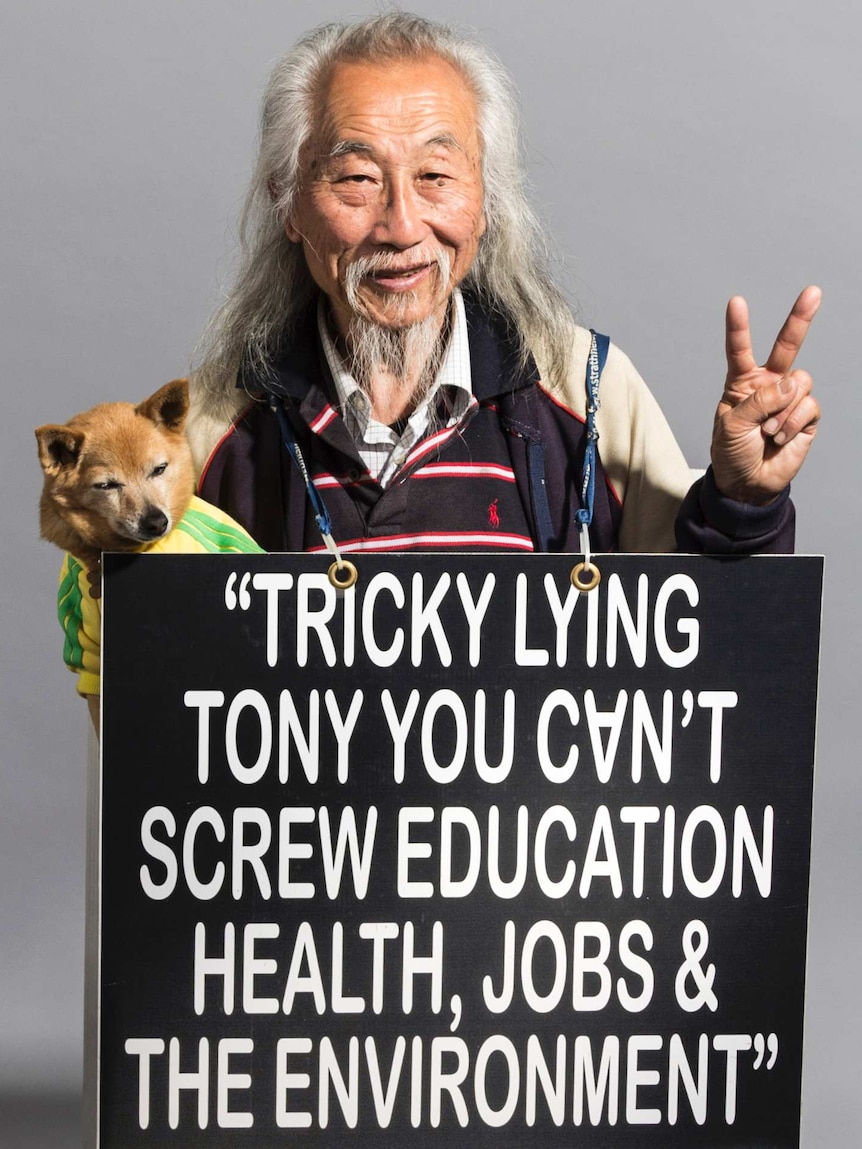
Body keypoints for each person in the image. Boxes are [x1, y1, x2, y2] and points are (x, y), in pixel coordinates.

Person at [186, 12, 820, 560]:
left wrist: (743, 500)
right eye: (356, 178)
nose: (402, 226)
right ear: (289, 206)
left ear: (486, 199)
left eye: (436, 174)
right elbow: (156, 679)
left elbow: (703, 647)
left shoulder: (588, 392)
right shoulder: (210, 428)